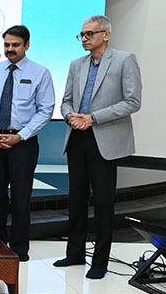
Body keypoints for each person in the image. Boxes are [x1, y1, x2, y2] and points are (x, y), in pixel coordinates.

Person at [54, 15, 142, 279]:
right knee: (76, 198)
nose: (84, 39)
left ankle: (100, 261)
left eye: (89, 34)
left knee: (103, 202)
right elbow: (66, 100)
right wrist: (70, 116)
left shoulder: (125, 60)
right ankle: (75, 254)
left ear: (106, 34)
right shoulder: (76, 64)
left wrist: (93, 118)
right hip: (77, 137)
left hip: (104, 138)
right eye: (81, 34)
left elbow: (133, 101)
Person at [0, 25, 55, 262]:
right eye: (7, 45)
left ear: (27, 45)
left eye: (15, 45)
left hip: (23, 143)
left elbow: (46, 109)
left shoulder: (41, 73)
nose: (10, 49)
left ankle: (20, 248)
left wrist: (20, 136)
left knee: (21, 197)